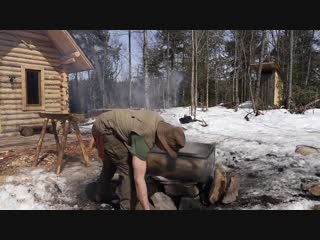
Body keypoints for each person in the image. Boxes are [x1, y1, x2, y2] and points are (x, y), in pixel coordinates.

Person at [91, 108, 186, 210]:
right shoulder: (144, 136)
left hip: (106, 122)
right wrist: (146, 208)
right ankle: (127, 207)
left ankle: (101, 194)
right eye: (167, 148)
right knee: (127, 167)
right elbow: (138, 179)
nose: (164, 150)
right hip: (105, 129)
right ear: (163, 141)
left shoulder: (159, 122)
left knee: (112, 162)